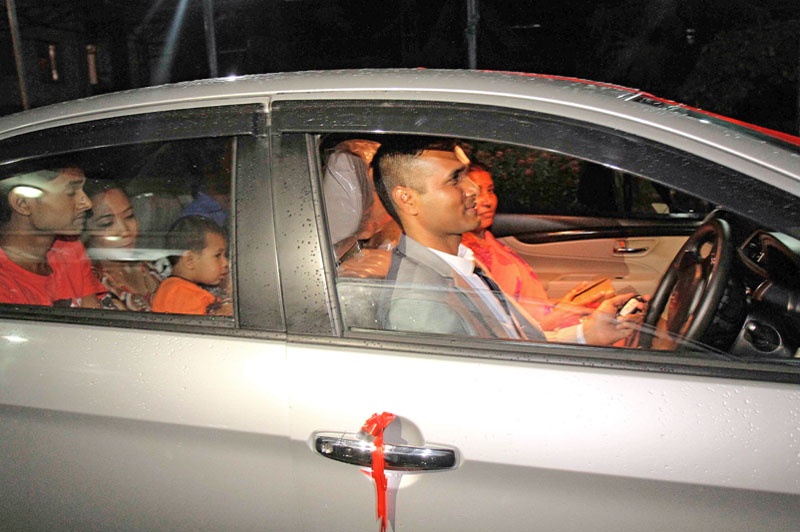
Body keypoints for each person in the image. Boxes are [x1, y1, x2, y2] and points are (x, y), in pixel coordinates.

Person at [373, 136, 643, 345]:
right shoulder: (423, 306)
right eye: (455, 179)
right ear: (407, 199)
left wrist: (588, 333)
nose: (472, 189)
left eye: (466, 174)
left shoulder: (462, 261)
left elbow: (510, 343)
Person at [461, 164, 609, 330]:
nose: (488, 201)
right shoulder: (468, 254)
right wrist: (552, 320)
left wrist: (561, 305)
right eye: (477, 192)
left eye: (490, 190)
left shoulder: (488, 240)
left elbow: (521, 304)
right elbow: (500, 327)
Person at [0, 165, 105, 307]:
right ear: (22, 203)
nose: (87, 203)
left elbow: (93, 316)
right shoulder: (5, 285)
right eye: (71, 192)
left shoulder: (68, 249)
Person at [83, 180, 164, 311]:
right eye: (107, 223)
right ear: (85, 231)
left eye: (129, 216)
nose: (125, 230)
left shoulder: (156, 263)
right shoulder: (92, 287)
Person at [151, 215, 231, 316]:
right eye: (217, 255)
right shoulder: (183, 296)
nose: (225, 263)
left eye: (225, 256)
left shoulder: (174, 288)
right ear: (190, 260)